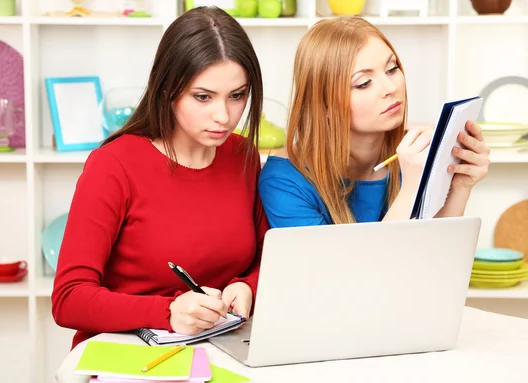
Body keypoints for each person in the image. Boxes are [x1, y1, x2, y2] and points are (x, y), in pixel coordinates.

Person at [51, 6, 269, 350]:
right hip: (126, 355)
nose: (224, 116)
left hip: (219, 348)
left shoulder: (242, 155)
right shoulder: (113, 165)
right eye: (203, 97)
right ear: (168, 88)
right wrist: (167, 310)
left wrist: (248, 287)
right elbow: (68, 299)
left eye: (237, 96)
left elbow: (268, 258)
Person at [258, 17, 490, 228]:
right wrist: (411, 188)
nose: (391, 88)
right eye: (364, 83)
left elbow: (439, 254)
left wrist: (460, 187)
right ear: (324, 103)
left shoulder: (415, 154)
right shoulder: (283, 181)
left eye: (392, 68)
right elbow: (351, 272)